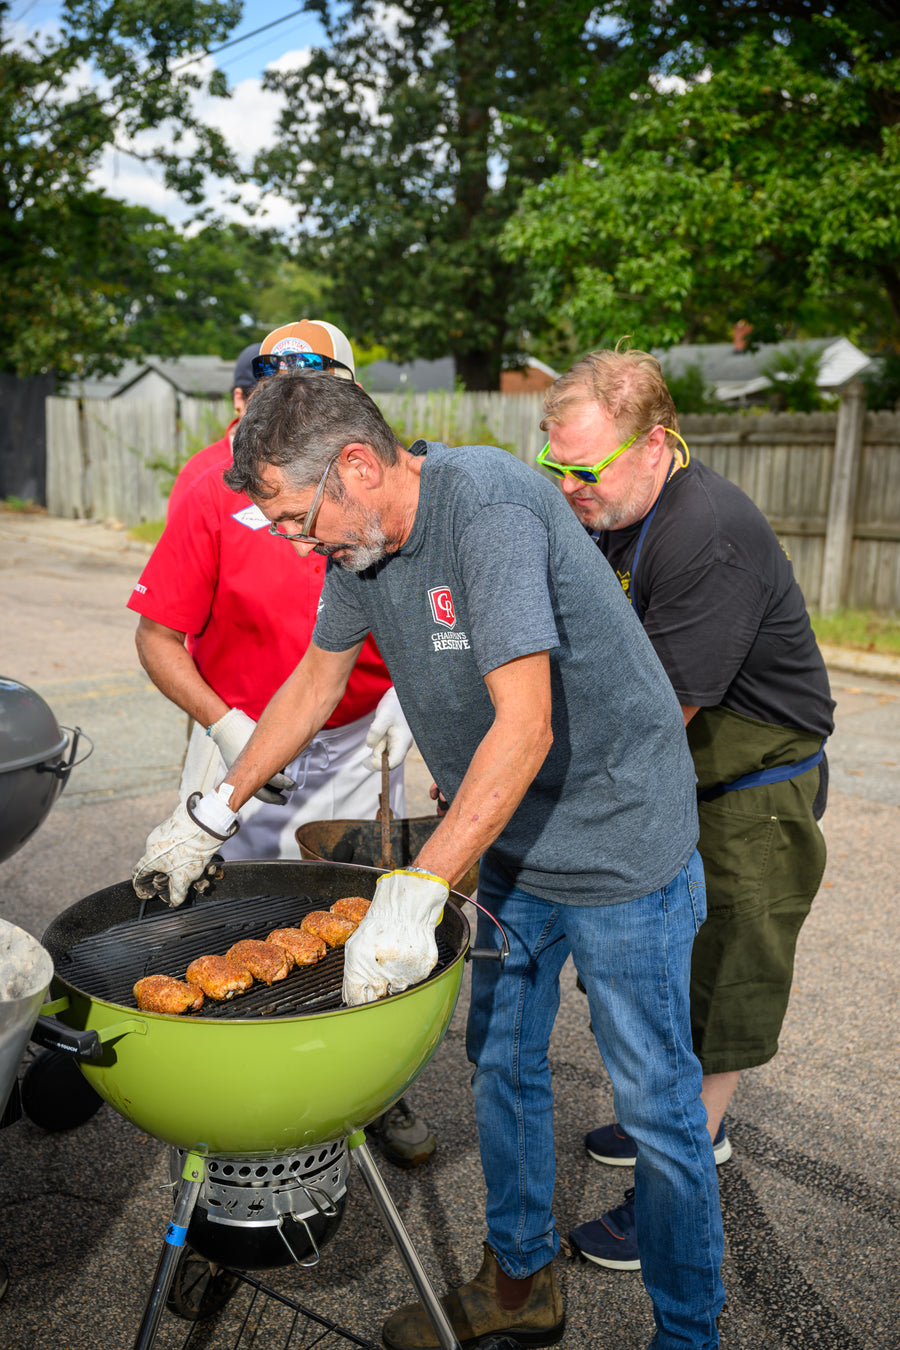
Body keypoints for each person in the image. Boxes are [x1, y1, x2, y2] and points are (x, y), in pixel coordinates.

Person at [131, 371, 725, 1350]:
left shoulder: (485, 507)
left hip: (622, 845)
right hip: (512, 841)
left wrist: (410, 896)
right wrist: (211, 811)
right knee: (503, 1064)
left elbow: (524, 726)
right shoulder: (358, 548)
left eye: (291, 518)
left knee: (658, 1107)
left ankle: (691, 1335)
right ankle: (519, 1283)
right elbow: (313, 685)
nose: (292, 541)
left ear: (357, 466)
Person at [538, 345, 835, 1269]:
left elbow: (649, 717)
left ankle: (675, 1184)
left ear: (658, 443)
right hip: (686, 777)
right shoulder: (620, 508)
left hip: (752, 794)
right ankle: (667, 1124)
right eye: (556, 467)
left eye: (585, 469)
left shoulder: (703, 533)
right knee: (668, 968)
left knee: (717, 994)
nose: (569, 487)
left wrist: (522, 773)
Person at [127, 320, 435, 1167]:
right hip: (242, 744)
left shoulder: (385, 479)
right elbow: (159, 637)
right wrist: (228, 731)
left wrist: (415, 699)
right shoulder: (206, 487)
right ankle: (233, 1099)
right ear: (242, 400)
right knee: (225, 915)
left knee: (368, 911)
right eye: (269, 391)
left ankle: (375, 1088)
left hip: (359, 741)